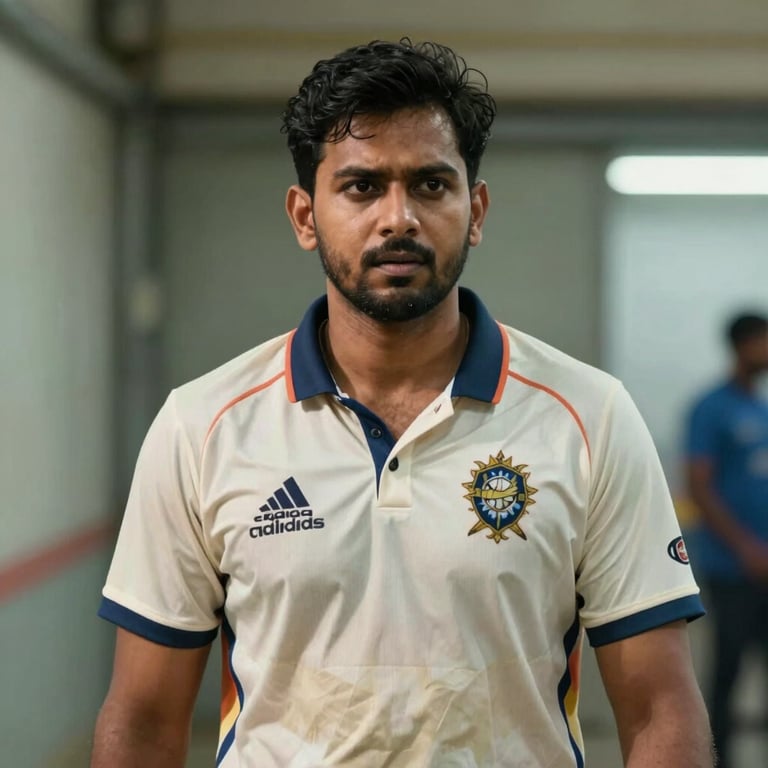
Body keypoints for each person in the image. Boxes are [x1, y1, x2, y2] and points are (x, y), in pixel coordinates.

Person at [91, 38, 713, 767]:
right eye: (361, 187)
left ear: (474, 209)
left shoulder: (590, 416)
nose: (399, 219)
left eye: (430, 185)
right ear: (304, 215)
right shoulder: (202, 426)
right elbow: (141, 721)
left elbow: (661, 711)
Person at [685, 311, 768, 768]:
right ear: (744, 345)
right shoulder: (711, 407)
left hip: (766, 568)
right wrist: (745, 546)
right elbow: (699, 484)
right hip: (733, 568)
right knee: (728, 675)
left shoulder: (761, 408)